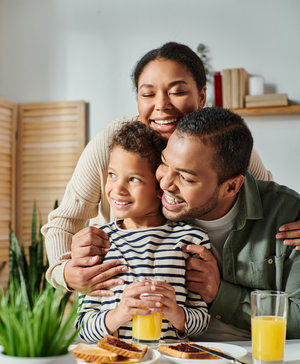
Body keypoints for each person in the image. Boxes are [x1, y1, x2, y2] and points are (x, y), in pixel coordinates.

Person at [42, 41, 300, 295]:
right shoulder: (116, 143)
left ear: (201, 97)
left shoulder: (220, 144)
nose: (161, 105)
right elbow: (65, 221)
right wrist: (65, 272)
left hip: (185, 295)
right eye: (147, 93)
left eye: (177, 92)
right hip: (119, 291)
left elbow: (268, 202)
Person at [155, 107, 300, 340]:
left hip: (256, 359)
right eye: (164, 163)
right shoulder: (147, 204)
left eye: (186, 177)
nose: (165, 183)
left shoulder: (286, 214)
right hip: (172, 356)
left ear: (231, 187)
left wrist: (220, 294)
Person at [77, 121, 210, 343]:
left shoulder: (190, 240)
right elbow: (82, 327)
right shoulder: (98, 241)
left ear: (160, 187)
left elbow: (203, 323)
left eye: (134, 179)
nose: (117, 188)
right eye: (112, 174)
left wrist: (177, 314)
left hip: (171, 363)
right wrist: (119, 314)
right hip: (119, 363)